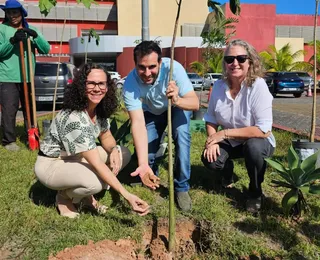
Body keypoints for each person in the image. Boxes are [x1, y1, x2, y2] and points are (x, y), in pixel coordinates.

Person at [34, 63, 150, 218]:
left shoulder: (97, 110)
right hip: (52, 164)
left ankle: (84, 195)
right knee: (96, 183)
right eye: (91, 83)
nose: (97, 88)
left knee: (124, 153)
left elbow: (106, 136)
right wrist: (127, 195)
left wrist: (114, 149)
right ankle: (64, 197)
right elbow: (96, 163)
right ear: (81, 86)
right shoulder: (74, 118)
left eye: (101, 83)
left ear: (107, 87)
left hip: (76, 157)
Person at [123, 41, 199, 212]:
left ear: (160, 63)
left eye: (152, 66)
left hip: (177, 107)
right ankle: (151, 174)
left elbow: (194, 103)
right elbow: (137, 122)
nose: (147, 73)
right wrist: (142, 163)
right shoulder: (130, 83)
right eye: (141, 67)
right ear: (135, 64)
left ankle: (181, 187)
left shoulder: (174, 69)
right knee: (147, 153)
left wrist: (177, 99)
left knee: (182, 137)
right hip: (152, 112)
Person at [201, 39, 275, 213]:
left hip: (257, 141)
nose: (235, 63)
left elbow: (263, 129)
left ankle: (255, 192)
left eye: (241, 58)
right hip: (232, 142)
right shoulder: (218, 86)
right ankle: (227, 172)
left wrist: (224, 134)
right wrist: (212, 141)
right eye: (229, 59)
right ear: (225, 63)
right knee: (210, 159)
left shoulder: (258, 86)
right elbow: (211, 118)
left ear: (250, 61)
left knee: (253, 148)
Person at [0, 0, 50, 151]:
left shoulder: (30, 29)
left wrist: (35, 36)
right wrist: (13, 41)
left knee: (31, 110)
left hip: (27, 77)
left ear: (21, 13)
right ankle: (9, 141)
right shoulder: (1, 29)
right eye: (9, 12)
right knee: (9, 110)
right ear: (6, 14)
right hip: (7, 77)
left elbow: (45, 49)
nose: (12, 15)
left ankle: (33, 136)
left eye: (15, 12)